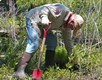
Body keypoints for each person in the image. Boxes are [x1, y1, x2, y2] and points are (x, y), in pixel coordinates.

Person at [14, 3, 84, 79]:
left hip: (45, 26)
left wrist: (71, 55)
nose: (71, 28)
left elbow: (68, 41)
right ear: (72, 21)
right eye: (72, 27)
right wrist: (44, 18)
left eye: (73, 28)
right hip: (34, 19)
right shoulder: (62, 10)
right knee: (34, 44)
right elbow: (45, 9)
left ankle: (48, 68)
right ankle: (19, 71)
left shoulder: (67, 27)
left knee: (52, 42)